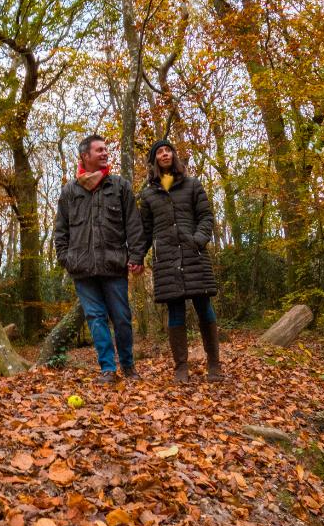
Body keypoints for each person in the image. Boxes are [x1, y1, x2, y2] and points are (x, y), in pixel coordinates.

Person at [54, 134, 147, 384]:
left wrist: (136, 255)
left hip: (114, 265)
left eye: (106, 150)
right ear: (85, 156)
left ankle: (128, 366)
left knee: (122, 318)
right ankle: (108, 369)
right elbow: (60, 231)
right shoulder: (69, 192)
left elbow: (134, 225)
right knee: (95, 319)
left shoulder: (119, 186)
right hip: (82, 269)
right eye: (100, 150)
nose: (105, 153)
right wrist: (67, 259)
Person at [138, 138, 224, 383]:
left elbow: (206, 216)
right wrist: (136, 258)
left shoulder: (192, 185)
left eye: (168, 150)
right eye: (160, 152)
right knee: (175, 312)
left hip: (194, 254)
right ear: (155, 160)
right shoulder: (148, 193)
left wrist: (198, 240)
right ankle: (181, 368)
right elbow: (145, 230)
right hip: (166, 260)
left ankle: (214, 365)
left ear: (173, 156)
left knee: (204, 308)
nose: (164, 154)